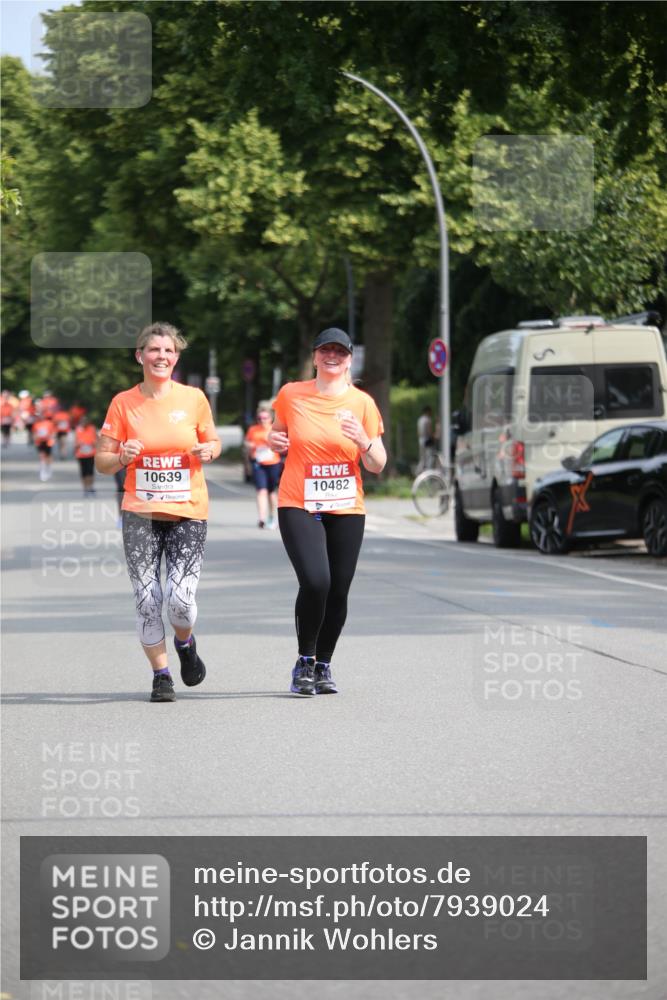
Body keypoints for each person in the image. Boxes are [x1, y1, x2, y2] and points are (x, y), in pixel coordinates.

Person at [95, 322, 222, 703]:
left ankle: (185, 644)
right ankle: (161, 675)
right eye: (154, 350)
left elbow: (213, 441)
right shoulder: (123, 403)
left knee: (180, 602)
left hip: (188, 513)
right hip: (140, 515)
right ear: (140, 356)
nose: (161, 356)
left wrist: (209, 451)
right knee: (147, 599)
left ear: (176, 358)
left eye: (168, 351)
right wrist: (121, 456)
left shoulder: (194, 398)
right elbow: (102, 461)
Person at [268, 327, 386, 697]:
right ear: (315, 356)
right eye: (325, 350)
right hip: (298, 501)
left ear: (349, 359)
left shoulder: (362, 403)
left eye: (340, 351)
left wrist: (363, 440)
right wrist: (274, 440)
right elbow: (277, 434)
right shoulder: (291, 394)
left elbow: (378, 463)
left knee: (338, 589)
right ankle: (304, 660)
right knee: (316, 581)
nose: (332, 356)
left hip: (346, 505)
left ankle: (323, 664)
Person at [244, 404, 283, 528]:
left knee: (271, 492)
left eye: (265, 418)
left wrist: (270, 443)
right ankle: (262, 518)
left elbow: (283, 445)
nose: (262, 420)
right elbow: (247, 442)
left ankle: (272, 516)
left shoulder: (274, 429)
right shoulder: (253, 429)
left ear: (270, 418)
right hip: (258, 463)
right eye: (260, 418)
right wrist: (250, 445)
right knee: (261, 490)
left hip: (273, 463)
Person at [74, 414, 97, 496]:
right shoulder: (78, 429)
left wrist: (94, 443)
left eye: (85, 421)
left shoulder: (92, 428)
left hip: (91, 453)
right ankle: (85, 488)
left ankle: (90, 487)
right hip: (81, 454)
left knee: (90, 471)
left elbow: (96, 440)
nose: (84, 422)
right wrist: (78, 444)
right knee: (84, 472)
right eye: (82, 421)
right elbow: (76, 442)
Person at [32, 412, 56, 481]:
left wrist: (50, 437)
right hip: (40, 442)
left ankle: (49, 469)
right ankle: (43, 472)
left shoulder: (49, 423)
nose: (39, 417)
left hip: (48, 442)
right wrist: (36, 439)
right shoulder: (36, 424)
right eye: (38, 416)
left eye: (41, 416)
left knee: (48, 457)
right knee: (41, 456)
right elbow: (34, 433)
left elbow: (53, 432)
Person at [416, 405, 434, 471]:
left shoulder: (420, 420)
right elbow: (429, 431)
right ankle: (428, 470)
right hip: (427, 439)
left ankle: (419, 470)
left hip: (421, 439)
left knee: (422, 457)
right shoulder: (428, 420)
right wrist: (432, 438)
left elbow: (418, 431)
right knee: (429, 456)